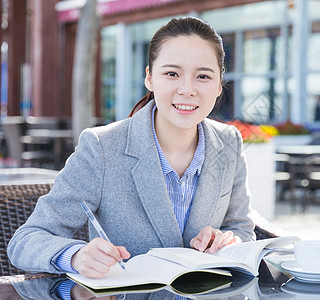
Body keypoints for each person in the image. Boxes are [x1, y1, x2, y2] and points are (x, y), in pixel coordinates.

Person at [8, 16, 255, 281]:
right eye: (172, 73)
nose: (187, 89)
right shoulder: (102, 147)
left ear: (219, 85)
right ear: (150, 78)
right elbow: (26, 241)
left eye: (203, 76)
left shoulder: (228, 142)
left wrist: (228, 242)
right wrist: (76, 256)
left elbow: (241, 229)